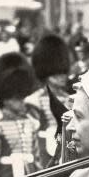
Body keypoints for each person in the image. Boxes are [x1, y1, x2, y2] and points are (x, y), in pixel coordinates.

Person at [0, 52, 42, 177]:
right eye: (17, 98)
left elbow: (36, 162)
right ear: (5, 99)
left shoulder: (31, 123)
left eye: (22, 97)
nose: (22, 101)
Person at [25, 34, 72, 167]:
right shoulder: (34, 102)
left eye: (63, 71)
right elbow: (31, 143)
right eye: (56, 72)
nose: (62, 75)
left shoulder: (71, 100)